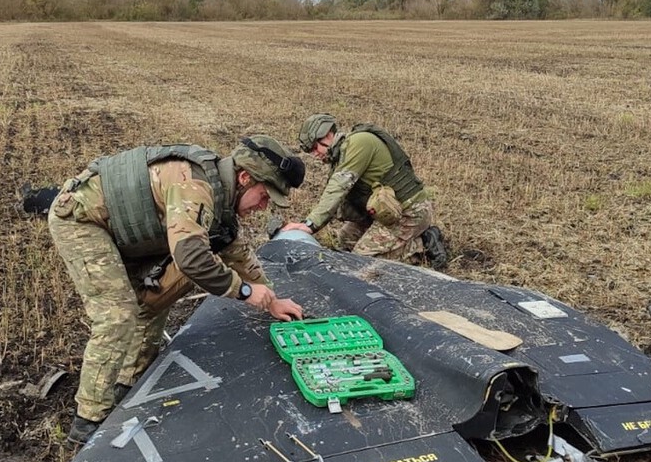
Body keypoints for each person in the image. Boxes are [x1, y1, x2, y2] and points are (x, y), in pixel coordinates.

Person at [48, 135, 305, 444]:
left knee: (155, 297)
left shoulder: (222, 198)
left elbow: (235, 252)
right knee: (118, 313)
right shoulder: (195, 186)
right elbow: (192, 257)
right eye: (264, 196)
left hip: (129, 233)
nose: (263, 207)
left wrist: (271, 298)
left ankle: (128, 382)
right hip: (83, 221)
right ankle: (89, 419)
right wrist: (246, 293)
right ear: (245, 178)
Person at [282, 114, 447, 268]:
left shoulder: (359, 143)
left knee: (362, 262)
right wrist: (307, 224)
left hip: (409, 211)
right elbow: (335, 200)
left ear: (326, 135)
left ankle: (422, 245)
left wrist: (310, 225)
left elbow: (338, 188)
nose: (314, 154)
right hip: (384, 213)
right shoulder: (342, 156)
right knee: (343, 243)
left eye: (314, 147)